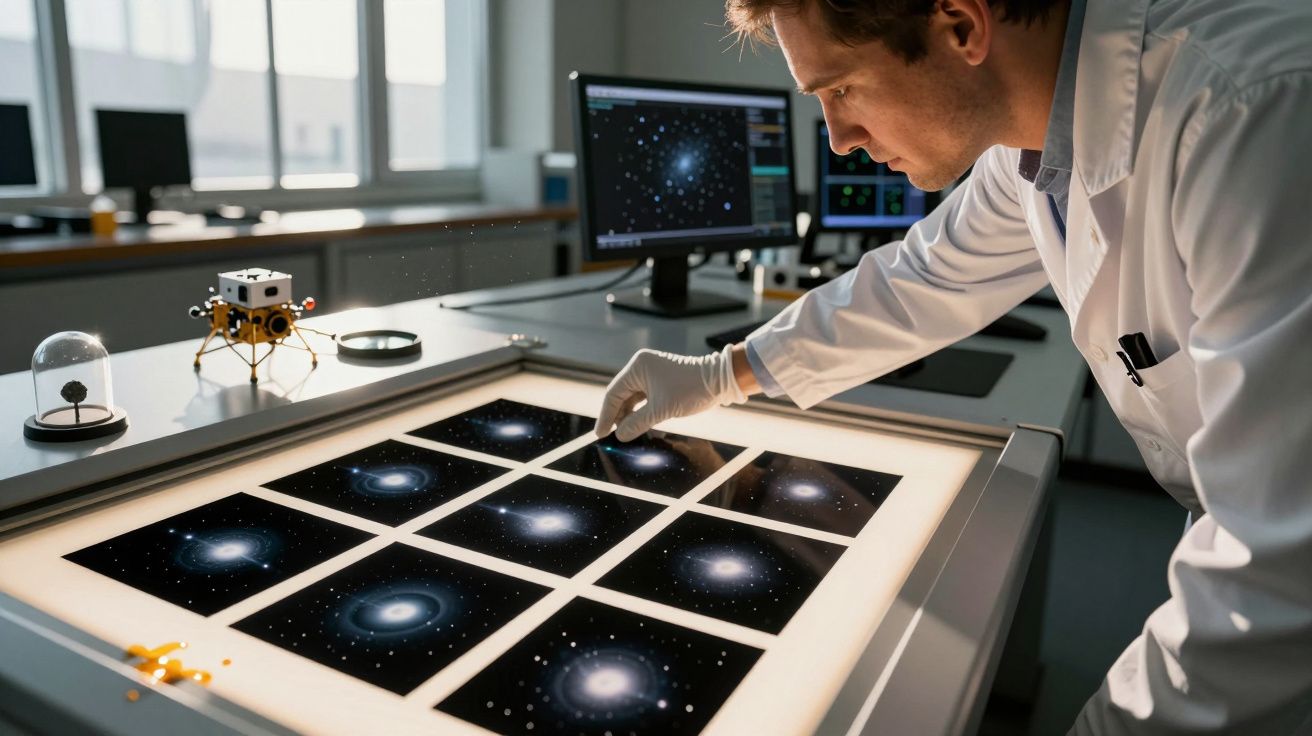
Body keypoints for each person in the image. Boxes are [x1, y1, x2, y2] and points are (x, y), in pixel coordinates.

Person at [592, 0, 1312, 732]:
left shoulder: (1253, 108)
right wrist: (722, 373)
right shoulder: (1033, 145)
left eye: (842, 88)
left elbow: (1280, 559)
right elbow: (921, 281)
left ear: (961, 26)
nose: (838, 139)